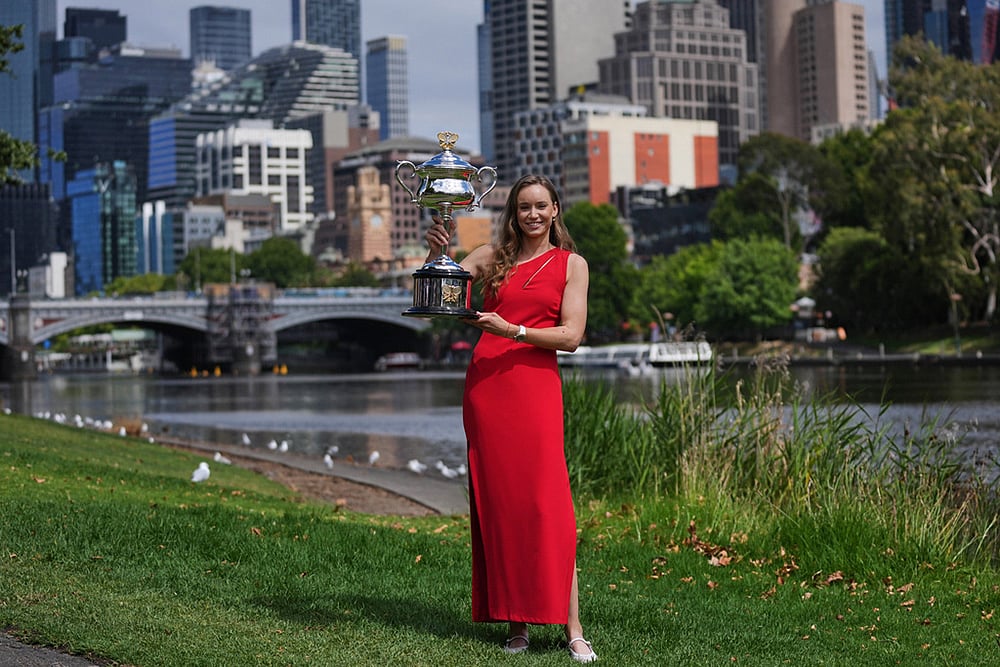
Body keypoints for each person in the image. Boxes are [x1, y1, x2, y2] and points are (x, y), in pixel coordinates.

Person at [424, 174, 597, 663]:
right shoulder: (489, 257)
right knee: (502, 510)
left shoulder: (572, 265)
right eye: (524, 207)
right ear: (513, 213)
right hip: (488, 391)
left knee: (550, 510)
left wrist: (512, 328)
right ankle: (516, 624)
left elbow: (571, 336)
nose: (533, 215)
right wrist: (437, 253)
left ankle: (574, 629)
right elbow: (443, 300)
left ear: (556, 209)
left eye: (541, 206)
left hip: (536, 392)